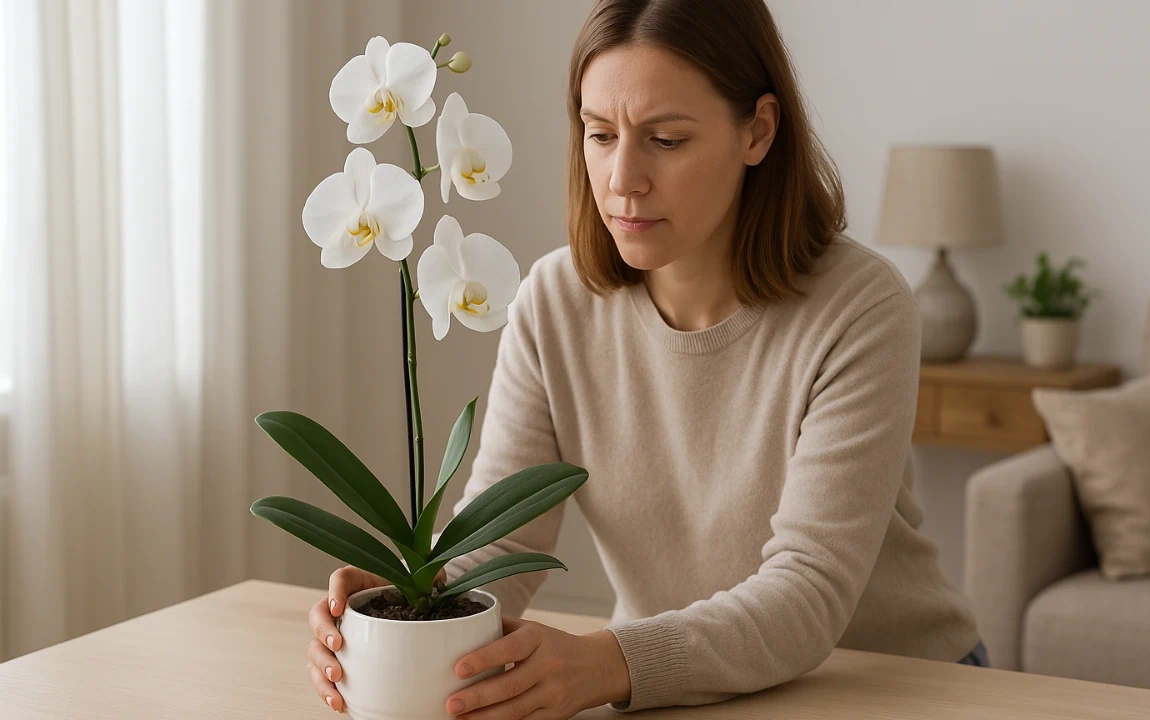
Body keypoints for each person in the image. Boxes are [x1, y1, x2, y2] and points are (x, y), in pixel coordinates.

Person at [306, 0, 986, 716]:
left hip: (901, 687)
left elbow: (808, 592)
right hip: (682, 696)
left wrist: (609, 660)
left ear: (758, 131)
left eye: (665, 139)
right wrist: (403, 602)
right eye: (599, 134)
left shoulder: (861, 306)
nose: (622, 177)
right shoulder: (554, 303)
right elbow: (499, 542)